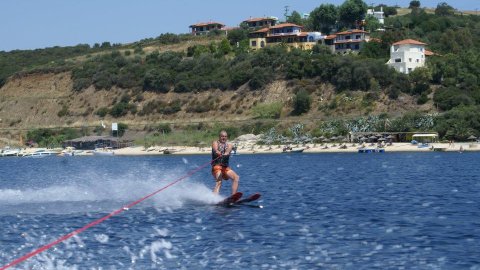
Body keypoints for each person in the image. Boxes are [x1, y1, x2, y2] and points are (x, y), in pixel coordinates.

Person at [211, 130, 239, 195]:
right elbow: (215, 149)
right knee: (219, 181)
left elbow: (228, 150)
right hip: (216, 166)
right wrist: (218, 152)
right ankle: (214, 198)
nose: (224, 138)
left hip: (225, 167)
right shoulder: (215, 143)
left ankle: (233, 196)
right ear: (219, 137)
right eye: (222, 136)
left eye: (225, 136)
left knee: (236, 177)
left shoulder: (229, 145)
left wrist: (226, 153)